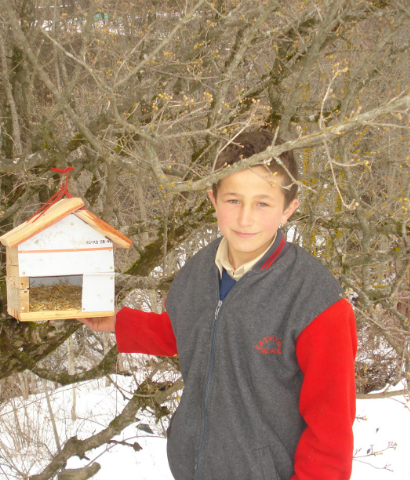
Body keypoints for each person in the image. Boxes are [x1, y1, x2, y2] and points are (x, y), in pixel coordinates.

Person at [79, 131, 357, 480]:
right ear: (213, 199)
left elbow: (330, 429)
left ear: (288, 209)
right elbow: (186, 331)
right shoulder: (197, 271)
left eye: (263, 203)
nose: (245, 218)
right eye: (233, 200)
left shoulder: (316, 302)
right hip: (193, 468)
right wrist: (117, 322)